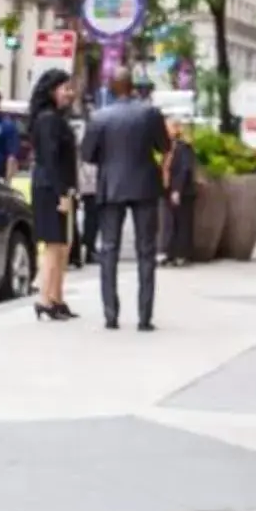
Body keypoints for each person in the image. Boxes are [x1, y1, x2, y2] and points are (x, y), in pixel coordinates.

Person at [79, 76, 170, 330]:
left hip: (112, 186)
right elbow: (164, 146)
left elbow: (87, 154)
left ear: (111, 89)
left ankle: (111, 315)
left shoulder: (99, 117)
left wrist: (109, 161)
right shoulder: (150, 113)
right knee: (146, 252)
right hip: (144, 186)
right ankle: (144, 317)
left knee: (109, 250)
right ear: (132, 88)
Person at [24, 68, 80, 320]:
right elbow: (50, 159)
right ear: (51, 91)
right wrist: (62, 194)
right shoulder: (48, 120)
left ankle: (56, 297)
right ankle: (45, 299)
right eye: (65, 88)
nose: (70, 93)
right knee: (53, 245)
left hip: (57, 186)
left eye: (70, 88)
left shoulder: (55, 118)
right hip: (50, 188)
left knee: (62, 245)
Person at [161, 117, 198, 265]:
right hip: (169, 189)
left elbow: (184, 169)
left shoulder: (183, 147)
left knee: (182, 223)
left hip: (182, 191)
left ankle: (182, 254)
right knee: (171, 223)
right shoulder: (168, 147)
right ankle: (171, 253)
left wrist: (177, 190)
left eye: (168, 128)